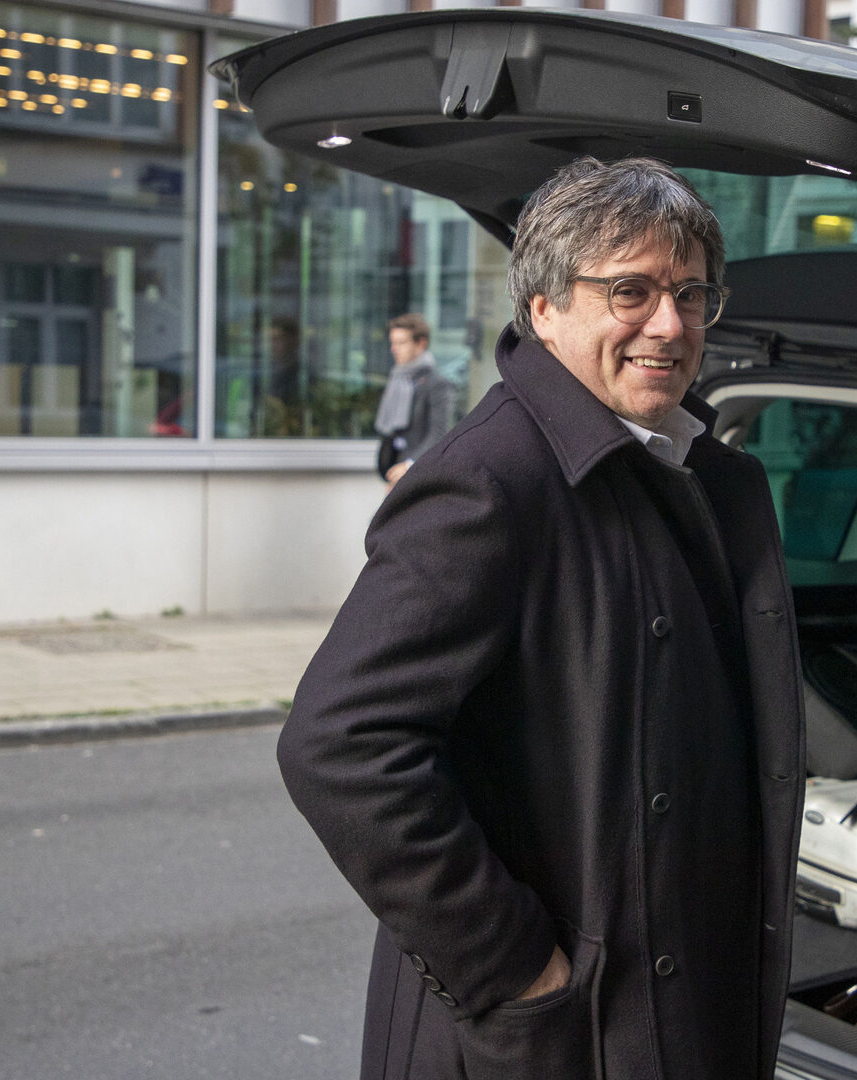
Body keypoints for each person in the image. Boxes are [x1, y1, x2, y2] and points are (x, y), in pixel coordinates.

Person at [279, 156, 804, 1080]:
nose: (670, 324)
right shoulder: (489, 478)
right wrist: (515, 968)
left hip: (685, 998)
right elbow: (340, 744)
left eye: (690, 294)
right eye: (630, 291)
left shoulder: (702, 473)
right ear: (544, 308)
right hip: (559, 1031)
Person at [374, 312, 455, 488]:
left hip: (419, 474)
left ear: (421, 343)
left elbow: (440, 433)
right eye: (393, 343)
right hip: (394, 470)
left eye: (401, 343)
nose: (394, 349)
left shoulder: (437, 384)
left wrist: (410, 465)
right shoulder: (396, 378)